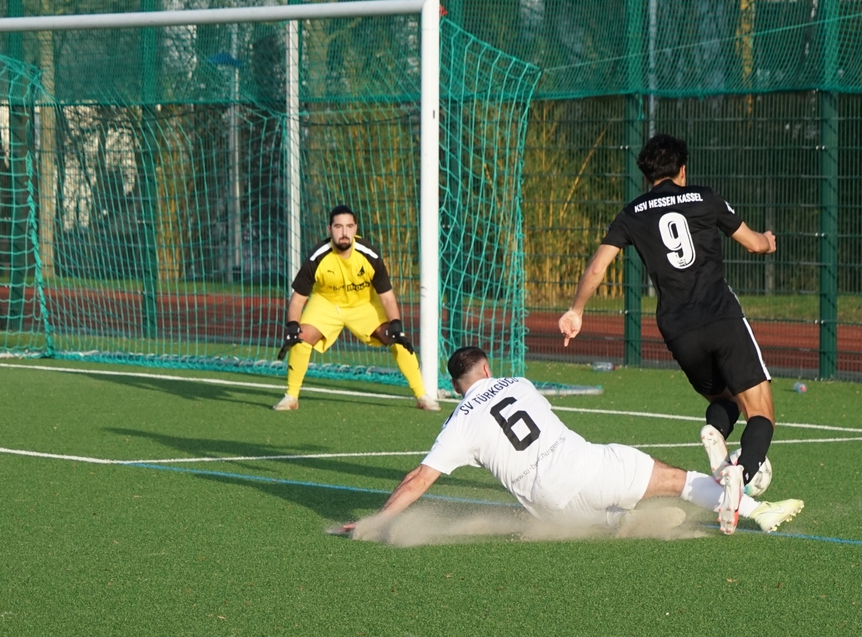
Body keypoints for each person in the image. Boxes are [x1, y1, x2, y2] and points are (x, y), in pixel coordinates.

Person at [342, 347, 803, 537]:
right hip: (584, 467)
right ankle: (756, 510)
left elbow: (418, 478)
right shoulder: (518, 383)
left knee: (588, 513)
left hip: (548, 507)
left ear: (457, 386)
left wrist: (374, 521)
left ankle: (622, 521)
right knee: (676, 480)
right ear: (486, 369)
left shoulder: (457, 423)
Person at [558, 133, 777, 494]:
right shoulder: (705, 197)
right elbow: (754, 243)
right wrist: (768, 241)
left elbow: (597, 268)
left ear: (647, 176)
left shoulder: (632, 213)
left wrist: (576, 311)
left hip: (679, 331)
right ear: (682, 170)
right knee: (761, 413)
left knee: (725, 400)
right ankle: (741, 475)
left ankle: (716, 431)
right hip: (721, 318)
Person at [274, 204, 439, 412]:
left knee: (397, 338)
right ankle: (291, 397)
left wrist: (396, 325)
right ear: (329, 229)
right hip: (326, 303)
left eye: (349, 226)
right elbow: (297, 299)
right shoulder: (317, 257)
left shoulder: (369, 255)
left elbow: (387, 298)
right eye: (338, 227)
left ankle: (422, 396)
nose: (344, 232)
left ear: (355, 228)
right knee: (301, 336)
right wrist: (292, 326)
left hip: (364, 304)